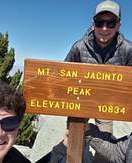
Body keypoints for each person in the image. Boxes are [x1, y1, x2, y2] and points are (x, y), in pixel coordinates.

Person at [49, 0, 132, 162]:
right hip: (79, 101)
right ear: (93, 23)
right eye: (100, 22)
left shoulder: (127, 50)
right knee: (73, 137)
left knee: (106, 144)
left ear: (119, 25)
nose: (104, 28)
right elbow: (63, 76)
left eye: (111, 23)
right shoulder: (79, 47)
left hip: (107, 104)